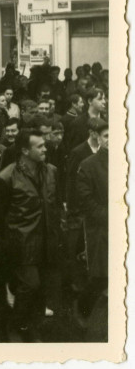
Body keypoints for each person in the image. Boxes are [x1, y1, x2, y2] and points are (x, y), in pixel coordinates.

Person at [0, 129, 61, 342]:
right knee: (30, 285)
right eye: (39, 146)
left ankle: (31, 327)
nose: (44, 149)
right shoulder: (5, 178)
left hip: (46, 242)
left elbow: (54, 205)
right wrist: (13, 237)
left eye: (44, 145)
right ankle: (15, 326)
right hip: (21, 245)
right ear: (24, 150)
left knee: (41, 289)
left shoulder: (51, 172)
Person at [74, 134, 109, 329]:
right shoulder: (89, 164)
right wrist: (107, 215)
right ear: (99, 139)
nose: (112, 139)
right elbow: (85, 200)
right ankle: (83, 307)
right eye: (106, 136)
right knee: (102, 275)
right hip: (102, 226)